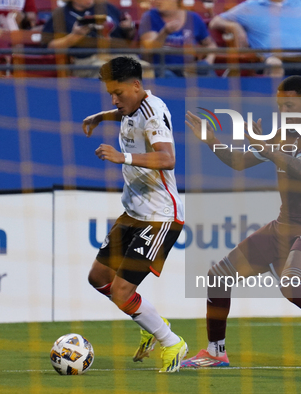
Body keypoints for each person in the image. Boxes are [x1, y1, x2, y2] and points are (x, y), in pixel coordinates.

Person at [181, 76, 301, 371]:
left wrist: (266, 145)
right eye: (280, 104)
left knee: (290, 285)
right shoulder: (281, 133)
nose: (284, 109)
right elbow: (239, 162)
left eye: (289, 104)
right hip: (283, 225)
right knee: (219, 276)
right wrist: (211, 140)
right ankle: (215, 352)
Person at [82, 56, 187, 373]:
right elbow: (125, 112)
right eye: (110, 94)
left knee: (121, 291)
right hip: (133, 213)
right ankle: (151, 322)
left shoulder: (153, 112)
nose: (115, 100)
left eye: (118, 93)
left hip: (160, 217)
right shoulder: (132, 107)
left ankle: (172, 342)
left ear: (136, 85)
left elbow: (167, 159)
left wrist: (122, 157)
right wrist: (102, 116)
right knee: (98, 278)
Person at [209, 0, 301, 77]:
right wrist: (234, 26)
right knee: (275, 64)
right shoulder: (250, 6)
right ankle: (274, 110)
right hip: (274, 60)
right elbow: (215, 22)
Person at [42, 0, 149, 78]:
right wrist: (74, 36)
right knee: (110, 71)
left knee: (145, 68)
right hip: (88, 59)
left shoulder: (106, 7)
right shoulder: (60, 14)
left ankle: (145, 106)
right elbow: (49, 46)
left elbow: (128, 37)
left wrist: (129, 28)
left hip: (119, 54)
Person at [138, 0, 217, 77]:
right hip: (160, 69)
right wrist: (164, 33)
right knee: (169, 77)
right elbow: (148, 51)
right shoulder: (149, 17)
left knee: (210, 76)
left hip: (188, 71)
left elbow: (211, 45)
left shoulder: (193, 18)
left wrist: (208, 62)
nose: (157, 1)